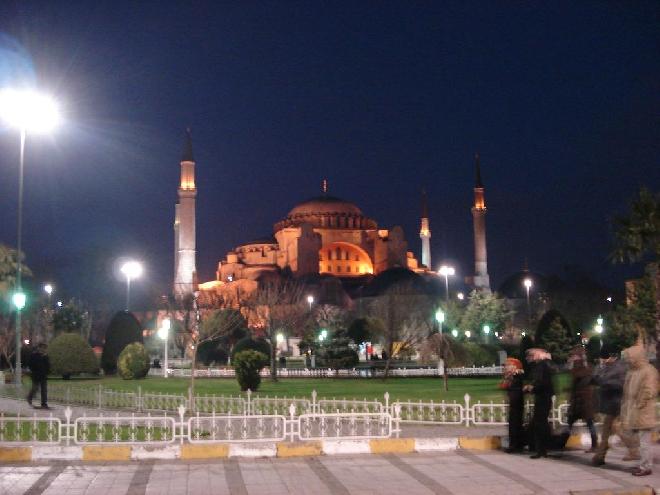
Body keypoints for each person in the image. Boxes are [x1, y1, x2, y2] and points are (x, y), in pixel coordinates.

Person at [591, 343, 639, 466]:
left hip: (617, 403)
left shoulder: (621, 367)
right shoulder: (606, 366)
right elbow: (598, 377)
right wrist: (598, 376)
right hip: (609, 403)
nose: (603, 359)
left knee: (611, 430)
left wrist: (605, 383)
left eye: (605, 357)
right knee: (610, 430)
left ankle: (600, 456)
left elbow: (621, 384)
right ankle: (601, 456)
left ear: (612, 356)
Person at [620, 343, 658, 477]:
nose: (628, 360)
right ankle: (643, 462)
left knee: (644, 442)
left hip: (643, 412)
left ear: (636, 357)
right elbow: (627, 391)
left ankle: (646, 466)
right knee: (638, 441)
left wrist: (639, 404)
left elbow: (649, 390)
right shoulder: (633, 370)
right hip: (634, 412)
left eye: (630, 357)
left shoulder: (648, 370)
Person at [562, 346, 597, 452]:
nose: (572, 357)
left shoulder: (583, 368)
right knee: (571, 423)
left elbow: (577, 377)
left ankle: (595, 445)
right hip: (579, 401)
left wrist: (570, 365)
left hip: (583, 401)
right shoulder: (583, 367)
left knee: (588, 423)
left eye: (574, 355)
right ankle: (562, 443)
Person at [524, 348, 554, 458]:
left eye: (531, 355)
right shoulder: (540, 366)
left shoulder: (542, 366)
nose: (529, 358)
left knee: (540, 423)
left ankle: (541, 450)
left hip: (543, 398)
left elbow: (542, 383)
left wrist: (532, 387)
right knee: (540, 423)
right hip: (543, 397)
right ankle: (541, 449)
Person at [500, 357, 526, 453]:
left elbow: (520, 373)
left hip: (517, 402)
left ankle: (515, 445)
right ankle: (516, 444)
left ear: (514, 366)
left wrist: (516, 372)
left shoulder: (517, 375)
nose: (505, 367)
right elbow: (502, 386)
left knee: (515, 424)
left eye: (507, 365)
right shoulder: (509, 376)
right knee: (513, 424)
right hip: (513, 402)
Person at [26, 343, 50, 409]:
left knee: (44, 390)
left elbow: (48, 365)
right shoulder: (34, 355)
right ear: (39, 348)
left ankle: (44, 403)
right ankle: (29, 397)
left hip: (43, 375)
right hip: (36, 375)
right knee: (35, 388)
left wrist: (47, 371)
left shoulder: (45, 356)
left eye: (45, 348)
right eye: (42, 348)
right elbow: (30, 364)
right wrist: (33, 370)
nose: (44, 350)